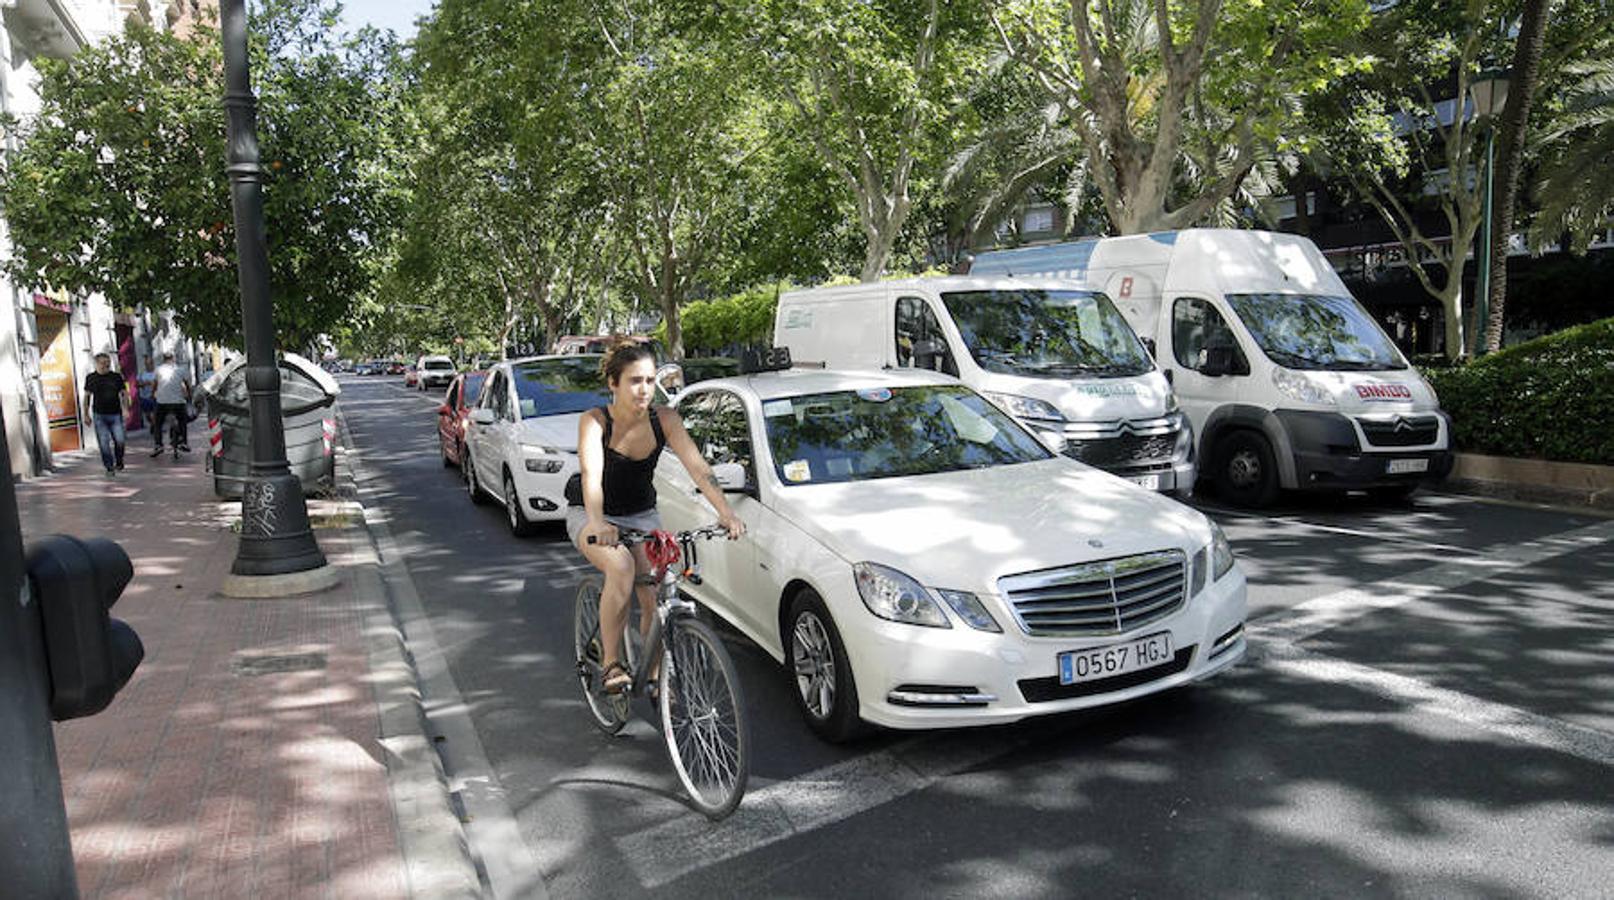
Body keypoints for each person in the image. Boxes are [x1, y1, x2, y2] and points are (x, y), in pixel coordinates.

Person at [567, 340, 745, 695]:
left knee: (656, 593)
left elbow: (698, 468)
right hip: (591, 514)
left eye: (650, 380)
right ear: (613, 384)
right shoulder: (595, 421)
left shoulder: (665, 420)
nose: (644, 389)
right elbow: (592, 476)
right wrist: (600, 522)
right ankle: (611, 664)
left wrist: (725, 513)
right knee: (620, 569)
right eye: (634, 380)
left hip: (642, 514)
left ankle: (652, 673)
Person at [81, 352, 130, 476]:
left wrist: (125, 408)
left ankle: (119, 461)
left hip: (116, 414)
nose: (106, 365)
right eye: (103, 363)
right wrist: (85, 414)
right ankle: (109, 467)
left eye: (108, 363)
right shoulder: (91, 378)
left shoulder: (116, 377)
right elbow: (87, 396)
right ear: (96, 364)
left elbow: (124, 393)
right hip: (99, 415)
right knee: (104, 442)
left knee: (120, 440)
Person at [149, 351, 192, 456]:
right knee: (182, 420)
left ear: (163, 359)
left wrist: (152, 393)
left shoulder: (158, 369)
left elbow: (154, 384)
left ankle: (158, 445)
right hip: (178, 402)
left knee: (157, 423)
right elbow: (187, 385)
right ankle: (183, 442)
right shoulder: (181, 369)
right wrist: (189, 395)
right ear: (173, 359)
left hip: (162, 401)